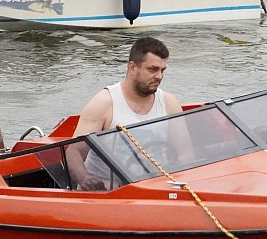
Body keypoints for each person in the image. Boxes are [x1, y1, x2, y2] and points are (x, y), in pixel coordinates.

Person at [67, 37, 183, 190]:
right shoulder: (104, 103)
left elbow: (185, 154)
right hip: (108, 193)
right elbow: (73, 152)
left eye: (163, 70)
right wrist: (86, 179)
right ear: (133, 68)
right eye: (152, 69)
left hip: (156, 187)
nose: (159, 76)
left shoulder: (170, 103)